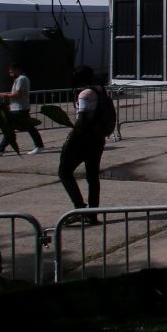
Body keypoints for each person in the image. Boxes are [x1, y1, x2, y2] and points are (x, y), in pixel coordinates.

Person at [58, 66, 108, 224]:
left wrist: (70, 139)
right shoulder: (100, 90)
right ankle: (92, 213)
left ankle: (79, 207)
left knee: (64, 172)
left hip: (83, 139)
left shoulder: (85, 94)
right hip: (97, 139)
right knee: (92, 177)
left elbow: (83, 120)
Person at [0, 63, 44, 156]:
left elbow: (19, 94)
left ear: (17, 70)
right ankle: (1, 149)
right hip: (18, 107)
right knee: (24, 127)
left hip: (20, 108)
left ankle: (1, 149)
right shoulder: (20, 79)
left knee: (15, 127)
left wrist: (5, 95)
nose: (10, 74)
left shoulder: (21, 79)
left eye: (11, 72)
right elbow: (16, 94)